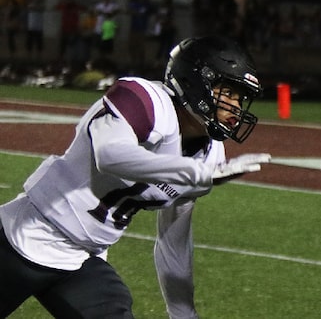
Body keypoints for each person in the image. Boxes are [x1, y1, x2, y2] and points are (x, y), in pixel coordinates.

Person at [0, 35, 272, 318]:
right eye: (227, 92)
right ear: (195, 81)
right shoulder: (145, 100)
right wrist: (193, 173)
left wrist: (183, 313)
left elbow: (173, 240)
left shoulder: (210, 154)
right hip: (22, 237)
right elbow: (110, 156)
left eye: (240, 98)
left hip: (81, 261)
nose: (236, 107)